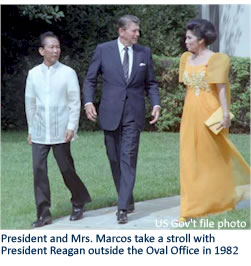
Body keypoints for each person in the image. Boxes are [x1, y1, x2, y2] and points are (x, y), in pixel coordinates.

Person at [83, 15, 161, 224]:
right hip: (109, 113)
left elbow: (151, 83)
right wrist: (88, 102)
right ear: (121, 31)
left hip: (133, 115)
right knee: (114, 159)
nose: (138, 34)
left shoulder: (144, 52)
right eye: (134, 30)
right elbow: (90, 79)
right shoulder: (103, 50)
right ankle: (127, 197)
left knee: (128, 159)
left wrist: (156, 104)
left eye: (138, 31)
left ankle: (122, 208)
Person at [178, 19, 250, 221]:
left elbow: (221, 89)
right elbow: (187, 90)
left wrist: (226, 115)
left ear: (201, 40)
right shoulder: (186, 59)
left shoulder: (217, 59)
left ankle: (219, 202)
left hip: (210, 114)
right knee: (189, 159)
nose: (186, 41)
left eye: (190, 37)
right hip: (190, 114)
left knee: (213, 158)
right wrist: (184, 114)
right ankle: (191, 206)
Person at [25, 31, 91, 228]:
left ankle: (79, 200)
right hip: (38, 131)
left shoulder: (67, 73)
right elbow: (30, 103)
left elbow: (74, 101)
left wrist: (72, 126)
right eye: (51, 47)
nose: (56, 50)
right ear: (41, 50)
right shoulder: (33, 74)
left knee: (66, 168)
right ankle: (43, 213)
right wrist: (30, 129)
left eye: (58, 47)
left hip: (61, 130)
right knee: (38, 170)